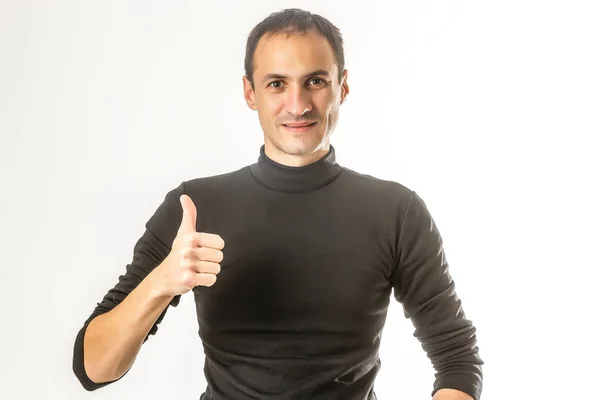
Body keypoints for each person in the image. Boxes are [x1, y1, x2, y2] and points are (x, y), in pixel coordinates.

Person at [72, 8, 484, 400]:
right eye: (276, 84)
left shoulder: (397, 212)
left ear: (342, 86)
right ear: (250, 93)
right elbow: (93, 368)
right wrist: (161, 282)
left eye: (315, 81)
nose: (298, 104)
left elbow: (456, 357)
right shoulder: (195, 208)